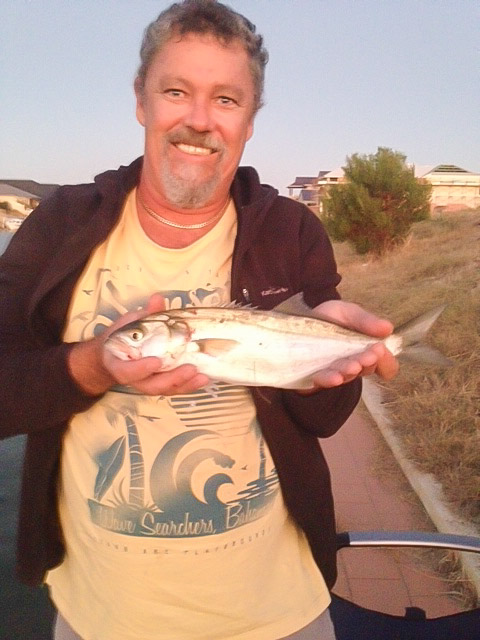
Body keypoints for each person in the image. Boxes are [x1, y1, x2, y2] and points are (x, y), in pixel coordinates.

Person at [0, 2, 398, 638]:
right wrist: (92, 364)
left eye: (226, 99)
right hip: (101, 615)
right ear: (141, 99)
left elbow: (322, 419)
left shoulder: (291, 230)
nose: (198, 120)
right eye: (176, 91)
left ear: (250, 120)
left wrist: (336, 363)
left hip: (279, 613)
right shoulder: (61, 225)